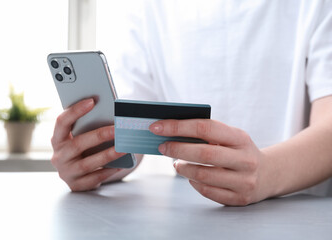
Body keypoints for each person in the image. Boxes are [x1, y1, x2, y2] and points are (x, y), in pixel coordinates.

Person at [50, 0, 332, 206]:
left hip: (300, 211)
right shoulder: (151, 10)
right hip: (191, 213)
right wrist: (91, 165)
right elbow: (133, 135)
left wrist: (268, 172)